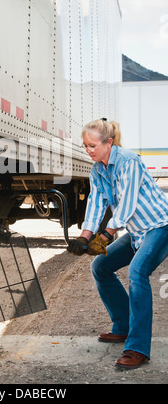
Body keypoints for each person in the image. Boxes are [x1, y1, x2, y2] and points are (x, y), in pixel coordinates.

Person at [67, 118, 168, 369]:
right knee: (100, 266)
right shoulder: (98, 170)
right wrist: (84, 236)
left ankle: (138, 348)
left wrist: (105, 235)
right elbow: (96, 203)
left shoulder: (128, 161)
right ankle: (123, 325)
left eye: (93, 145)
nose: (89, 150)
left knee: (137, 272)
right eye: (85, 146)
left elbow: (127, 204)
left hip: (159, 227)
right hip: (136, 233)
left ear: (108, 143)